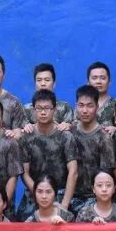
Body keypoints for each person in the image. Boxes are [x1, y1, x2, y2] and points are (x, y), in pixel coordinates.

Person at [18, 90, 78, 219]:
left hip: (60, 193)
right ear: (33, 111)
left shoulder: (65, 136)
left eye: (47, 108)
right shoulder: (26, 137)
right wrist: (39, 194)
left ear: (54, 110)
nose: (43, 112)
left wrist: (64, 205)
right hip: (34, 192)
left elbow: (73, 171)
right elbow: (24, 173)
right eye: (39, 108)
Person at [69, 85, 116, 215]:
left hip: (95, 198)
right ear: (76, 106)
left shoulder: (104, 137)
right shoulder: (69, 132)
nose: (85, 110)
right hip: (70, 196)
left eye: (89, 106)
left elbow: (107, 173)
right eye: (81, 105)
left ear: (97, 107)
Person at [86, 61, 116, 127]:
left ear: (109, 82)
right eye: (94, 78)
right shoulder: (82, 105)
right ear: (88, 83)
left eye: (103, 78)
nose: (98, 82)